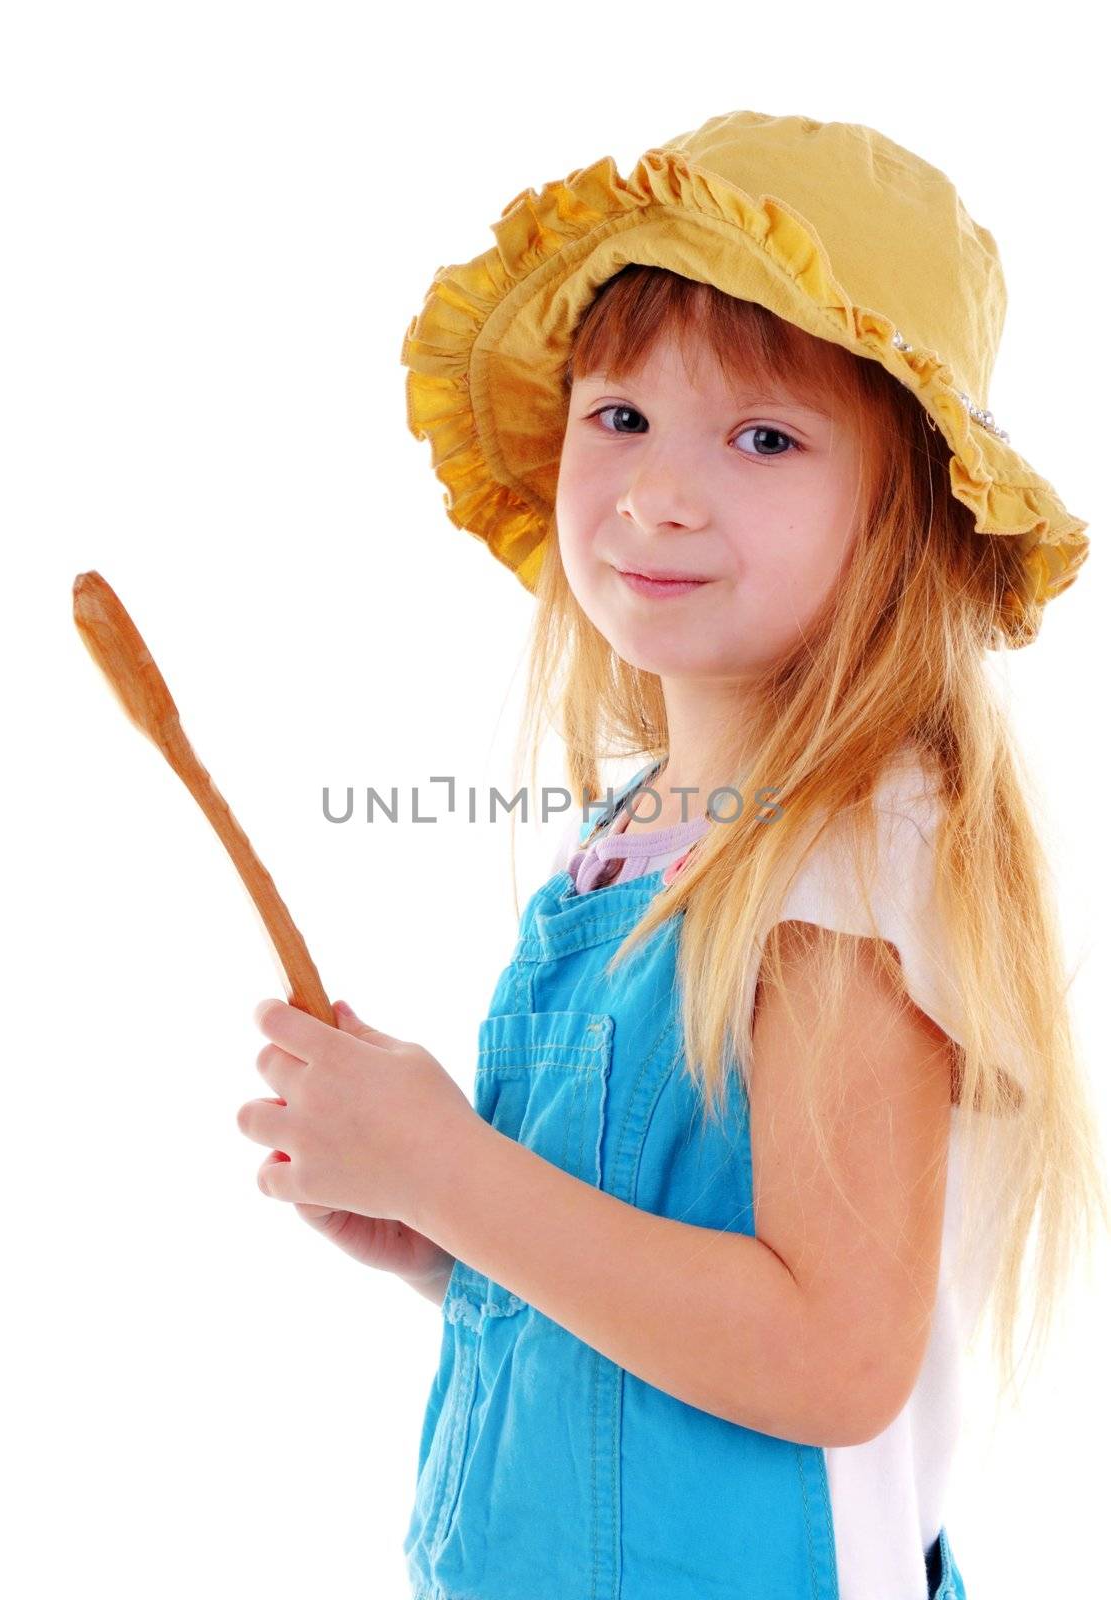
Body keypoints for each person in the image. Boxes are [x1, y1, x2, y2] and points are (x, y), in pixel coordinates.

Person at [240, 110, 1107, 1599]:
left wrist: (455, 1173)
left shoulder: (846, 853)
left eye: (764, 437)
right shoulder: (621, 850)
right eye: (619, 417)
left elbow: (829, 1357)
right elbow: (659, 1306)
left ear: (899, 508)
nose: (657, 493)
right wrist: (441, 1241)